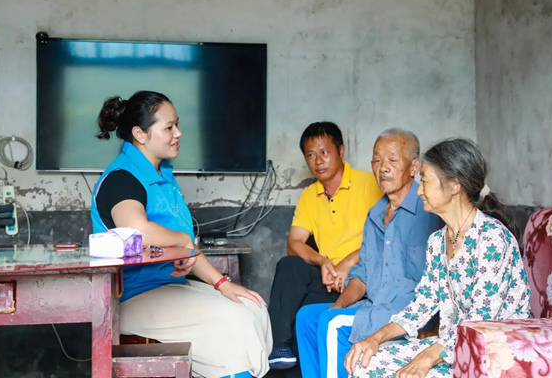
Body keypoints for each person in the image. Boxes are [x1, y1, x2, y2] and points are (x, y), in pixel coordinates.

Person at [90, 90, 272, 378]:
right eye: (169, 127)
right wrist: (180, 241)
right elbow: (136, 229)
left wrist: (222, 283)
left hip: (167, 290)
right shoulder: (122, 179)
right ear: (140, 134)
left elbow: (184, 243)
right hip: (130, 299)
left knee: (252, 307)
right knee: (233, 321)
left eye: (177, 124)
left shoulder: (163, 178)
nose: (179, 133)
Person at [345, 138, 531, 378]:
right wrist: (374, 339)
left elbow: (479, 322)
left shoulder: (491, 239)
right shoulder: (437, 242)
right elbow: (421, 306)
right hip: (450, 348)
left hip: (492, 352)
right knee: (366, 363)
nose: (419, 189)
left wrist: (426, 358)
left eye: (425, 180)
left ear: (454, 186)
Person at [295, 128, 443, 378]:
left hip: (407, 314)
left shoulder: (430, 210)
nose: (382, 167)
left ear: (414, 167)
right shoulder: (375, 214)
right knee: (307, 317)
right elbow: (362, 275)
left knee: (332, 325)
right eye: (376, 160)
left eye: (393, 160)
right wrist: (339, 305)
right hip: (374, 305)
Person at [267, 122, 384, 371]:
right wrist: (323, 262)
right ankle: (279, 347)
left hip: (363, 275)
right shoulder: (310, 195)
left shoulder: (369, 184)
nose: (317, 160)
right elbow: (294, 243)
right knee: (290, 268)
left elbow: (385, 238)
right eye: (310, 155)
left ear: (341, 150)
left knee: (305, 308)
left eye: (324, 152)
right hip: (330, 277)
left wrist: (347, 263)